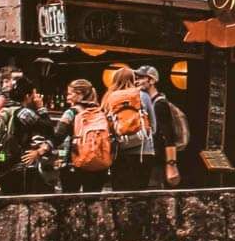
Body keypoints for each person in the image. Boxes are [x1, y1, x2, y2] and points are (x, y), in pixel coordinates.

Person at [99, 64, 153, 192]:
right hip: (143, 152)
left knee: (120, 193)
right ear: (133, 80)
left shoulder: (109, 97)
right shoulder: (143, 96)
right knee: (140, 195)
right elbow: (153, 125)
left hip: (120, 152)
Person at [136, 67, 188, 188]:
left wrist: (171, 164)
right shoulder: (148, 102)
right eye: (136, 78)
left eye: (141, 78)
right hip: (150, 157)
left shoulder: (159, 104)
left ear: (152, 81)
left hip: (157, 160)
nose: (137, 81)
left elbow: (168, 135)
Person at [61, 78, 114, 193]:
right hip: (99, 164)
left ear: (80, 95)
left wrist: (42, 149)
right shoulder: (101, 113)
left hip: (74, 163)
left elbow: (59, 133)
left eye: (70, 94)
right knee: (93, 203)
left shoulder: (71, 112)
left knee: (70, 203)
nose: (67, 97)